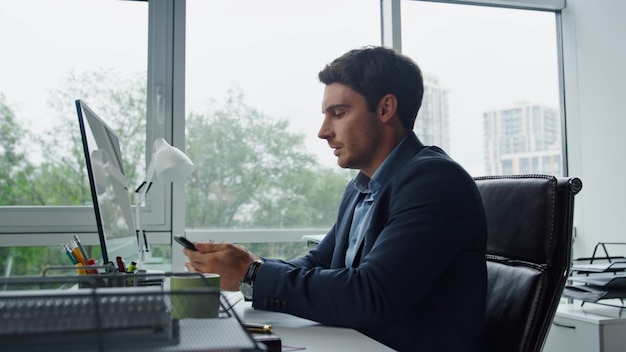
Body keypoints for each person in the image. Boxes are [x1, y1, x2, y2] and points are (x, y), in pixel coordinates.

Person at [183, 46, 488, 351]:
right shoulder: (361, 186)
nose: (323, 131)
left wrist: (253, 273)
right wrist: (246, 266)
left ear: (385, 109)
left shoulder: (434, 181)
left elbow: (372, 295)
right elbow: (322, 262)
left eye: (338, 114)